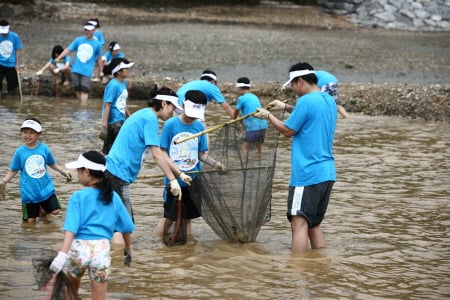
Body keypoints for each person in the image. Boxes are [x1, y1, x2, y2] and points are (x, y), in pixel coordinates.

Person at [253, 62, 337, 253]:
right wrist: (285, 107)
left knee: (298, 224)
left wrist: (268, 117)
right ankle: (318, 267)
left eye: (292, 84)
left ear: (300, 81)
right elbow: (307, 115)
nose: (292, 88)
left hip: (307, 174)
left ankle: (297, 275)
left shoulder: (305, 101)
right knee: (314, 224)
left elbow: (288, 130)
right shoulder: (329, 100)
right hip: (327, 173)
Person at [49, 151, 134, 300]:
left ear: (87, 172)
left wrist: (63, 253)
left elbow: (71, 230)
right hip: (101, 251)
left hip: (79, 250)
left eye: (78, 170)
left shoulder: (78, 197)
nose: (77, 174)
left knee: (71, 292)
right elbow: (126, 228)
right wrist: (128, 250)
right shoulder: (113, 197)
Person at [105, 86, 192, 225]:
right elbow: (156, 155)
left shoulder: (145, 114)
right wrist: (172, 180)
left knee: (118, 224)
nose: (173, 113)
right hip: (118, 175)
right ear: (163, 103)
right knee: (125, 227)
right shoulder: (150, 119)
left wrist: (179, 174)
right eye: (172, 108)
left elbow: (161, 154)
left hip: (113, 172)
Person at [155, 90, 227, 239]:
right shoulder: (171, 125)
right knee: (169, 217)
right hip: (173, 181)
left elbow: (202, 154)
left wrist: (216, 164)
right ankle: (157, 243)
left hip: (193, 180)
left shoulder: (199, 127)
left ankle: (187, 246)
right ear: (183, 105)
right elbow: (162, 152)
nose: (193, 116)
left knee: (188, 218)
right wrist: (176, 176)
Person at [0, 118, 72, 223]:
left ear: (39, 134)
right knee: (30, 222)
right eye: (25, 132)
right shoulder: (19, 152)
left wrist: (63, 171)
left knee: (56, 211)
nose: (27, 136)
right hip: (29, 192)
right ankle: (39, 214)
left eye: (31, 133)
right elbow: (13, 170)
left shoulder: (44, 148)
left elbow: (51, 163)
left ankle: (42, 210)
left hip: (45, 188)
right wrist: (4, 181)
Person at [54, 21, 103, 105]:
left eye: (89, 30)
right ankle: (81, 106)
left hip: (87, 71)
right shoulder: (78, 40)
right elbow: (68, 50)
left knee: (84, 90)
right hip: (76, 69)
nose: (87, 32)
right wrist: (59, 57)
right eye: (86, 30)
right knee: (77, 89)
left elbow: (99, 59)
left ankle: (83, 107)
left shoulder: (97, 44)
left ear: (93, 31)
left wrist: (101, 71)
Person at [99, 58, 134, 155]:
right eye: (126, 68)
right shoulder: (113, 85)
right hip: (114, 123)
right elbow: (107, 105)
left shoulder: (122, 82)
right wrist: (104, 126)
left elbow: (122, 102)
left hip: (121, 120)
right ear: (118, 71)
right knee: (111, 151)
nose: (128, 70)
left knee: (118, 149)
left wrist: (130, 117)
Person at [233, 77, 268, 156]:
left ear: (239, 87)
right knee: (258, 145)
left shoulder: (241, 98)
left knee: (244, 147)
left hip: (253, 127)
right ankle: (260, 157)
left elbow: (236, 111)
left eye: (236, 87)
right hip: (263, 125)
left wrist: (234, 120)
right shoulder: (254, 96)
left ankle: (243, 163)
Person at [0, 19, 23, 97]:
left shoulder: (14, 36)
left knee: (12, 85)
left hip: (11, 64)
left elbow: (18, 50)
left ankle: (11, 102)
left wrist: (17, 64)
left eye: (5, 31)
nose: (4, 33)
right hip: (0, 63)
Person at [88, 18, 105, 82]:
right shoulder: (88, 33)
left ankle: (97, 76)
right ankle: (90, 75)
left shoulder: (99, 33)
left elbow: (102, 42)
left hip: (97, 51)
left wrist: (97, 46)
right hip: (90, 51)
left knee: (97, 64)